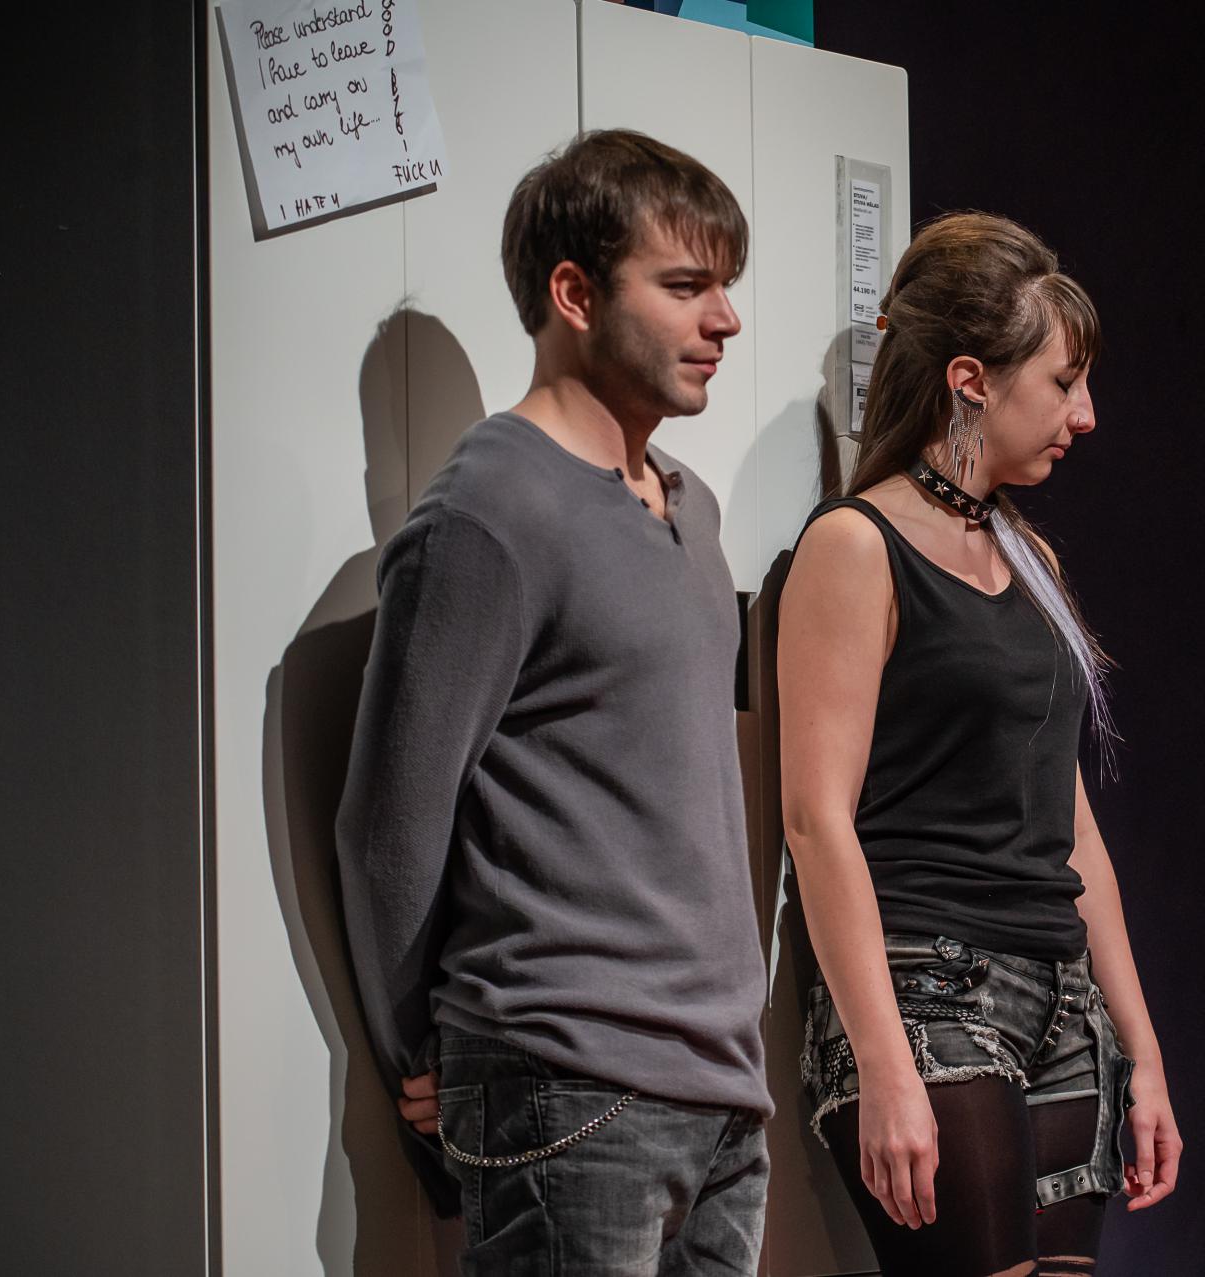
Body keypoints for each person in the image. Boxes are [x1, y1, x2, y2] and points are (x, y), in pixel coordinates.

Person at [336, 129, 771, 1276]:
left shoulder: (692, 506)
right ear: (575, 294)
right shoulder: (491, 511)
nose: (725, 319)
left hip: (721, 1093)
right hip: (567, 1084)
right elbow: (390, 827)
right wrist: (426, 1055)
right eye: (686, 286)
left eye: (725, 285)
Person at [776, 213, 1183, 1277]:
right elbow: (816, 820)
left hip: (1062, 1004)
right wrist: (885, 1063)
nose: (1085, 415)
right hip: (930, 992)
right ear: (971, 380)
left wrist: (1142, 1051)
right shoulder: (854, 544)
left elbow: (1071, 825)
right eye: (1063, 383)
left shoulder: (1027, 553)